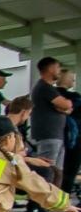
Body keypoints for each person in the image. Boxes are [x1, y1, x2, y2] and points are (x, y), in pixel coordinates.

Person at [31, 57, 72, 185]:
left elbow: (67, 108)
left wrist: (65, 107)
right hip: (48, 135)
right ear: (50, 68)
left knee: (57, 172)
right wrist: (65, 105)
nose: (59, 71)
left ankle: (53, 197)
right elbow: (66, 105)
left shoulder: (49, 88)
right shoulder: (44, 87)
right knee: (46, 171)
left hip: (55, 135)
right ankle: (40, 197)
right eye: (58, 67)